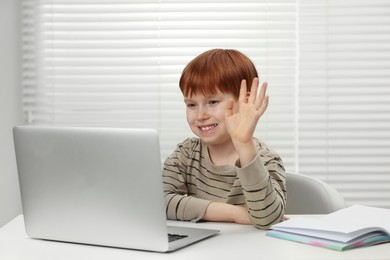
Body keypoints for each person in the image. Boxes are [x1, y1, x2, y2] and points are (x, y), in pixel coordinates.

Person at [163, 49, 286, 230]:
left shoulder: (266, 159)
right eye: (191, 105)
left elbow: (268, 219)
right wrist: (234, 213)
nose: (200, 115)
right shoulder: (185, 154)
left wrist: (244, 144)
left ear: (245, 101)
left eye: (212, 102)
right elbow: (160, 202)